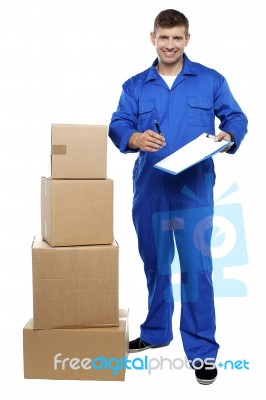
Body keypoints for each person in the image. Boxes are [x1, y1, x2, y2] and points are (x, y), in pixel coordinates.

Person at [108, 9, 248, 385]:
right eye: (164, 38)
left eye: (178, 38)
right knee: (155, 265)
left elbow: (236, 117)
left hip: (194, 188)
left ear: (187, 39)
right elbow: (118, 123)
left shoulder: (210, 80)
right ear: (152, 37)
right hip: (151, 188)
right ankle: (156, 333)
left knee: (196, 270)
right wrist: (134, 138)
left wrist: (228, 136)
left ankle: (202, 350)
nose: (170, 45)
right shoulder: (136, 85)